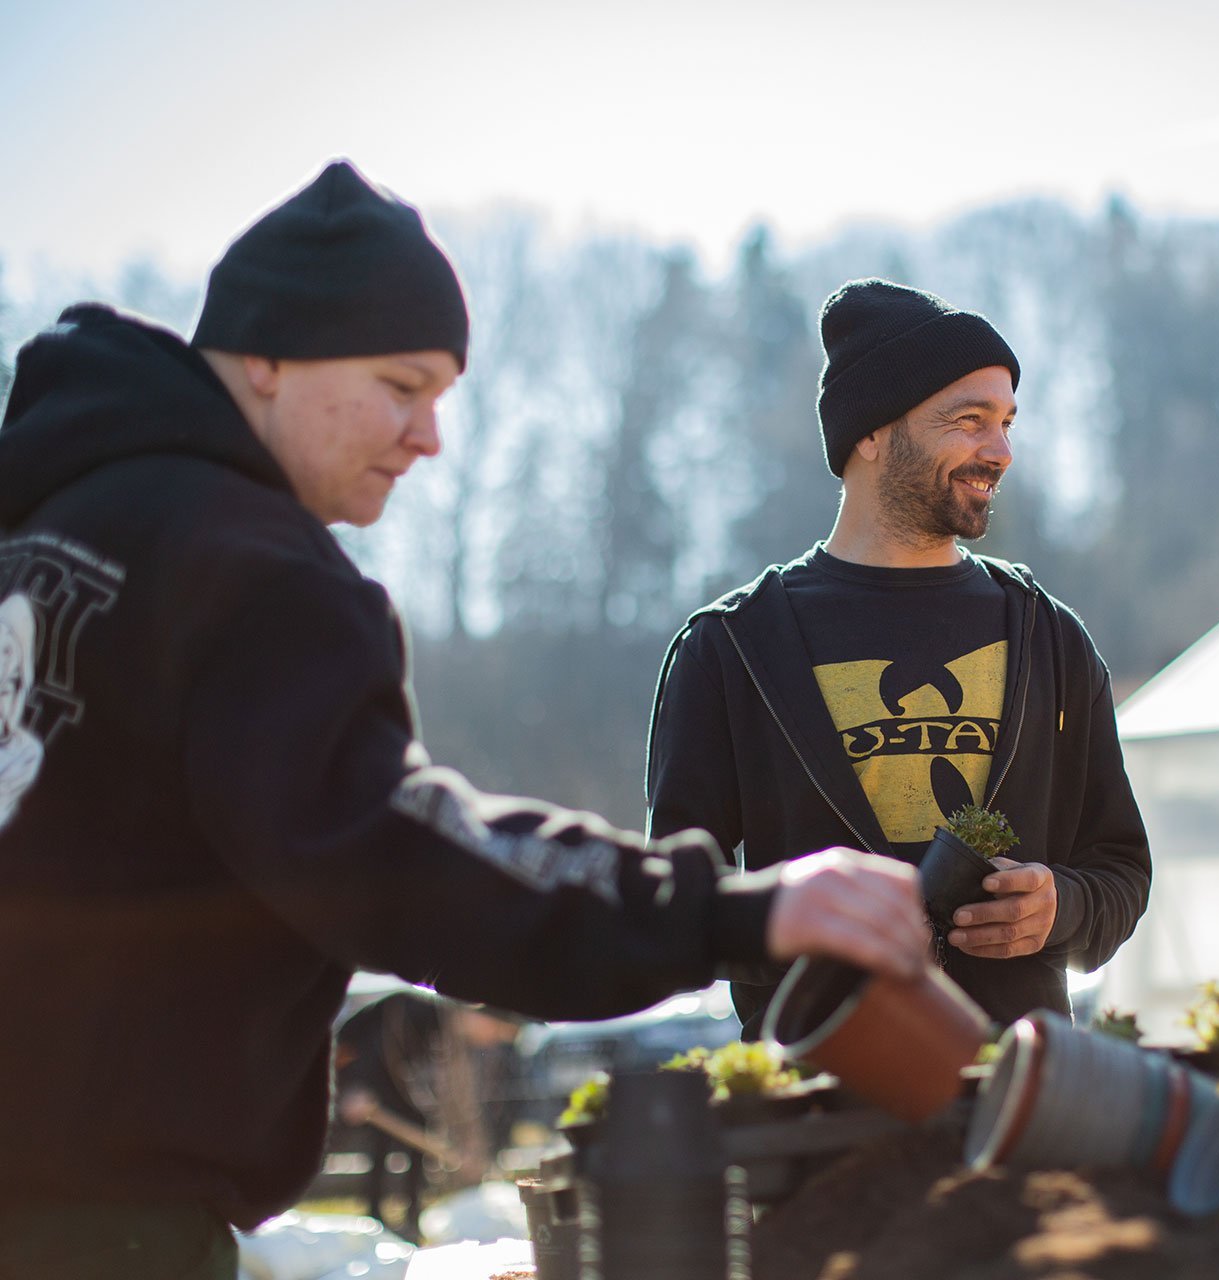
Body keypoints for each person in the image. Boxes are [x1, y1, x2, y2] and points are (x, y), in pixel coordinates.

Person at [0, 161, 928, 1280]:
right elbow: (394, 857)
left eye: (441, 395)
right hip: (99, 1228)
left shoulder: (46, 529)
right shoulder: (251, 572)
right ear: (266, 355)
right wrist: (729, 909)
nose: (429, 435)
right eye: (401, 385)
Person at [646, 277, 1151, 1036]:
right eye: (970, 421)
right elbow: (683, 908)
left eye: (1008, 421)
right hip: (815, 1111)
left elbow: (1121, 871)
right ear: (872, 432)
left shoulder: (1050, 636)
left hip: (1021, 1106)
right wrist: (806, 929)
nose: (1001, 450)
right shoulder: (733, 650)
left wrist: (1062, 907)